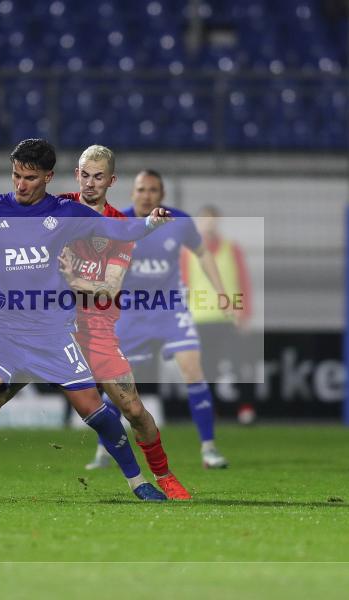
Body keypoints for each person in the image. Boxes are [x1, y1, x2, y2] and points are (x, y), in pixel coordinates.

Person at [0, 138, 171, 502]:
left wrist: (148, 223)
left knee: (94, 410)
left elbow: (119, 231)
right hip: (2, 329)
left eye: (30, 177)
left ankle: (137, 481)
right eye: (16, 175)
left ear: (48, 177)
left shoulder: (67, 215)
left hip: (52, 333)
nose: (20, 185)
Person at [105, 170, 234, 469]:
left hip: (170, 308)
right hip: (131, 312)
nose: (146, 195)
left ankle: (209, 448)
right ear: (133, 193)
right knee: (119, 382)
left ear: (161, 195)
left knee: (193, 370)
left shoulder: (180, 222)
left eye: (152, 190)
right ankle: (104, 448)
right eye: (141, 189)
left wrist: (221, 292)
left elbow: (203, 254)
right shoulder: (117, 222)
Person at [182, 204, 254, 422]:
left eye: (213, 220)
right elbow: (182, 284)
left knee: (239, 363)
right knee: (206, 369)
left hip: (228, 318)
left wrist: (244, 312)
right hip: (199, 318)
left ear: (218, 221)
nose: (209, 225)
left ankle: (246, 409)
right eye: (205, 220)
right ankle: (210, 410)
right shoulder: (187, 253)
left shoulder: (232, 249)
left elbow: (243, 282)